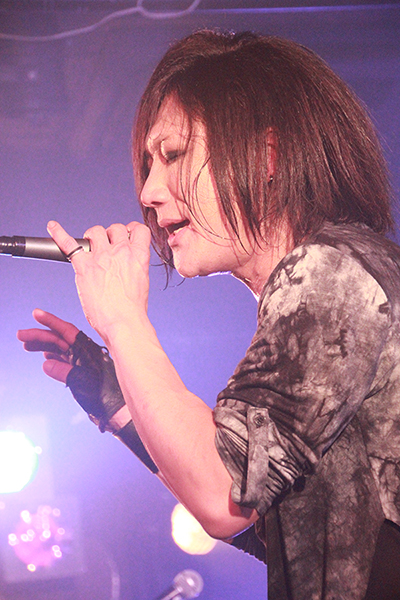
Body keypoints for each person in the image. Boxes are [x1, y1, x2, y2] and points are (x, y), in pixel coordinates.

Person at [17, 30, 400, 600]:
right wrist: (121, 403)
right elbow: (286, 537)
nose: (149, 191)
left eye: (172, 155)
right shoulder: (333, 279)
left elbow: (222, 494)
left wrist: (122, 320)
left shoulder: (331, 272)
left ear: (266, 157)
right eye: (148, 164)